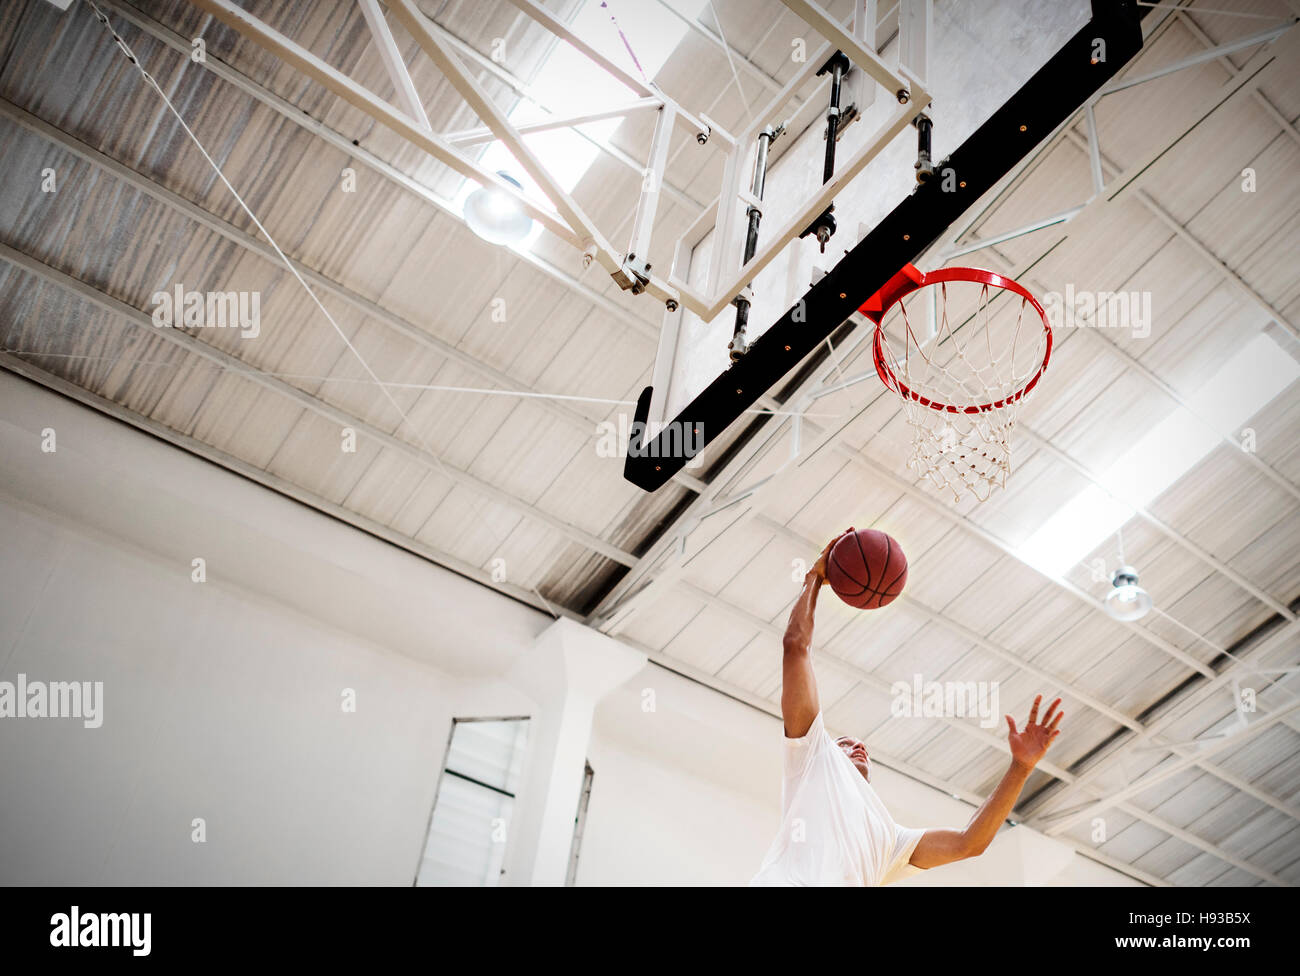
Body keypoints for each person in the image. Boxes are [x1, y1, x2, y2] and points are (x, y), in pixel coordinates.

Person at [752, 529, 1064, 886]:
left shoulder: (891, 841)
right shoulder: (811, 760)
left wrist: (1020, 768)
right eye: (845, 742)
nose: (858, 745)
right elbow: (795, 646)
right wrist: (815, 578)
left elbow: (968, 844)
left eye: (860, 744)